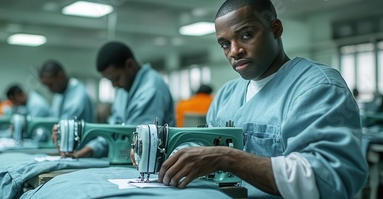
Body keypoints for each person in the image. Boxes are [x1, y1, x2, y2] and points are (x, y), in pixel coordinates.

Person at [156, 1, 368, 199]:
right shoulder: (227, 95)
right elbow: (202, 147)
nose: (234, 51)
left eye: (246, 35)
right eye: (224, 44)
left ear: (275, 29)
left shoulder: (318, 87)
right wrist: (160, 155)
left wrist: (227, 158)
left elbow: (329, 180)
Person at [66, 41, 176, 158]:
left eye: (116, 78)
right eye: (110, 81)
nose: (114, 85)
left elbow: (139, 139)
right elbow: (115, 129)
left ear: (129, 65)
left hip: (153, 164)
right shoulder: (124, 90)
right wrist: (91, 148)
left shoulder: (152, 88)